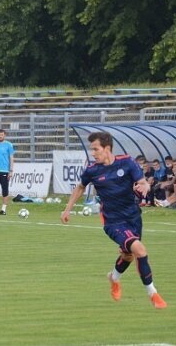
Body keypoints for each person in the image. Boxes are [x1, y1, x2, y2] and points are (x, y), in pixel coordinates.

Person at [60, 131, 167, 309]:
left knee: (128, 256)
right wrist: (67, 209)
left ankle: (114, 277)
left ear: (107, 148)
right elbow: (80, 188)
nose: (93, 153)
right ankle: (153, 294)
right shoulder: (92, 170)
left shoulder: (127, 162)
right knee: (140, 250)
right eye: (92, 150)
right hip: (113, 221)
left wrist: (145, 185)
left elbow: (142, 181)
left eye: (96, 149)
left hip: (133, 217)